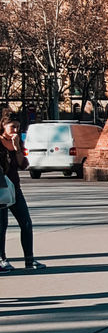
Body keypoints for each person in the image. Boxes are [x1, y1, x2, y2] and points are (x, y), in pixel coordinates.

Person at [0, 111, 45, 271]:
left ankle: (29, 260)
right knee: (2, 225)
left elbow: (23, 165)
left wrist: (17, 148)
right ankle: (2, 259)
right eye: (13, 127)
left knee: (26, 223)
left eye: (18, 127)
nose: (16, 131)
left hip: (15, 189)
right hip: (1, 190)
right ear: (3, 126)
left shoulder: (17, 141)